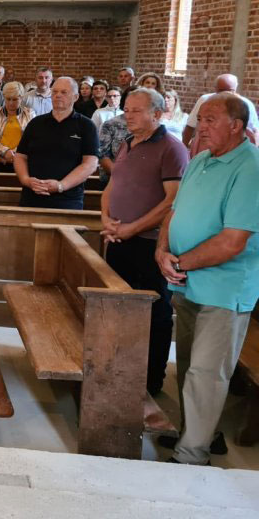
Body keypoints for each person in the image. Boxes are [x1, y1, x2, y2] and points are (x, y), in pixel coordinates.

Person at [155, 93, 259, 466]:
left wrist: (180, 262)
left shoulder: (251, 167)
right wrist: (161, 250)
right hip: (187, 282)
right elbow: (174, 210)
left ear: (237, 125)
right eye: (201, 119)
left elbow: (233, 241)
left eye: (211, 119)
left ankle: (191, 455)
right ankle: (200, 433)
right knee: (187, 364)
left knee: (207, 371)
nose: (201, 127)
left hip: (225, 288)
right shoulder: (200, 159)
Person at [101, 88, 188, 397]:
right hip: (119, 239)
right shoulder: (127, 143)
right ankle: (120, 369)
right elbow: (113, 185)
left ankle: (151, 379)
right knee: (118, 307)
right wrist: (106, 218)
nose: (128, 115)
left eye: (136, 110)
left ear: (157, 113)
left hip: (151, 244)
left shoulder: (171, 148)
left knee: (155, 313)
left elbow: (171, 202)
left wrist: (132, 229)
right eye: (126, 109)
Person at [14, 76, 100, 209]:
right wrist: (26, 180)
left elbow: (90, 164)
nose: (58, 95)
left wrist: (61, 185)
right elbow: (20, 156)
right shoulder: (36, 123)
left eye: (64, 92)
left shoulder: (86, 125)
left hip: (68, 200)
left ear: (76, 97)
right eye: (54, 92)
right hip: (32, 197)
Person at [183, 73, 258, 151]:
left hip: (234, 149)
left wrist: (254, 151)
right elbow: (190, 126)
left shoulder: (245, 104)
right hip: (205, 147)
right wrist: (184, 148)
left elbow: (254, 131)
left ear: (235, 89)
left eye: (230, 90)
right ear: (215, 88)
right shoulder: (205, 100)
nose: (225, 94)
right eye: (221, 90)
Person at [0, 81, 34, 171]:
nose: (11, 103)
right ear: (4, 97)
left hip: (21, 161)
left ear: (21, 98)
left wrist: (13, 154)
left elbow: (32, 138)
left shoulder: (29, 114)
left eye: (15, 99)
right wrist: (4, 152)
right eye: (8, 99)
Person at [98, 112, 130, 188]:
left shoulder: (154, 126)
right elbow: (102, 154)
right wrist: (120, 176)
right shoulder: (111, 124)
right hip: (114, 179)